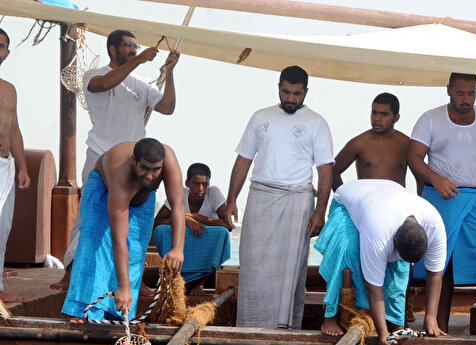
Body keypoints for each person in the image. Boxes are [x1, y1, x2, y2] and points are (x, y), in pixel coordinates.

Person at [55, 29, 179, 291]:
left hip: (133, 162)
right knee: (88, 216)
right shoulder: (95, 75)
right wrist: (140, 59)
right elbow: (103, 85)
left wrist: (170, 73)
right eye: (128, 46)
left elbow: (167, 108)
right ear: (112, 48)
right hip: (100, 157)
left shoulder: (143, 82)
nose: (133, 50)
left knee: (135, 223)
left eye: (136, 46)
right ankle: (70, 273)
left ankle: (132, 281)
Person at [224, 65, 334, 329]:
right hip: (260, 195)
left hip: (297, 200)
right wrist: (231, 200)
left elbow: (325, 169)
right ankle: (249, 328)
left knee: (289, 273)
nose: (291, 99)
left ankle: (284, 330)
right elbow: (243, 160)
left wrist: (320, 211)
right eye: (286, 92)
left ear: (306, 92)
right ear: (279, 88)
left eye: (297, 94)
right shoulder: (260, 116)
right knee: (253, 267)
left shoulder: (316, 122)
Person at [408, 72, 476, 336]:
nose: (466, 99)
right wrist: (436, 179)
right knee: (441, 265)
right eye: (460, 93)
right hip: (441, 198)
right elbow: (413, 157)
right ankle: (438, 327)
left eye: (471, 93)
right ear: (448, 90)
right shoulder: (430, 119)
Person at [316, 179, 447, 345]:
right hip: (349, 201)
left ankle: (394, 321)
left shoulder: (435, 226)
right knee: (348, 251)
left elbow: (435, 274)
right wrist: (382, 333)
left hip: (387, 195)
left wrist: (431, 318)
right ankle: (330, 317)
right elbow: (373, 288)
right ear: (393, 240)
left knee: (399, 267)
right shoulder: (378, 231)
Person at [62, 138, 184, 321]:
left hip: (142, 199)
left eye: (155, 170)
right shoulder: (121, 175)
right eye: (144, 168)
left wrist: (177, 249)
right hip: (103, 191)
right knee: (96, 244)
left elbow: (178, 207)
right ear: (134, 160)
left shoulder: (169, 161)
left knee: (135, 249)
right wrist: (123, 287)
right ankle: (83, 310)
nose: (150, 176)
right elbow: (119, 238)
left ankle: (120, 311)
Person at [153, 162, 231, 293]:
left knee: (222, 233)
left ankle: (200, 283)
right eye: (196, 184)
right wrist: (183, 219)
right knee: (161, 231)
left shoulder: (214, 193)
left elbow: (228, 225)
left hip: (204, 242)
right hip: (183, 243)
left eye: (205, 184)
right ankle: (175, 278)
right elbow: (158, 223)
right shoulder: (180, 194)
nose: (201, 188)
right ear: (187, 183)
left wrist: (194, 216)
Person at [0, 27, 31, 304]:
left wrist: (22, 166)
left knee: (2, 227)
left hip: (5, 167)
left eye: (1, 46)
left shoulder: (9, 89)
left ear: (7, 53)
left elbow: (14, 130)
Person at [332, 93, 410, 190]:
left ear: (396, 117)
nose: (377, 118)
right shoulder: (358, 143)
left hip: (396, 203)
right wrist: (346, 199)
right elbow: (332, 171)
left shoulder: (406, 144)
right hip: (365, 203)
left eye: (384, 114)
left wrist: (420, 201)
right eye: (374, 113)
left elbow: (420, 176)